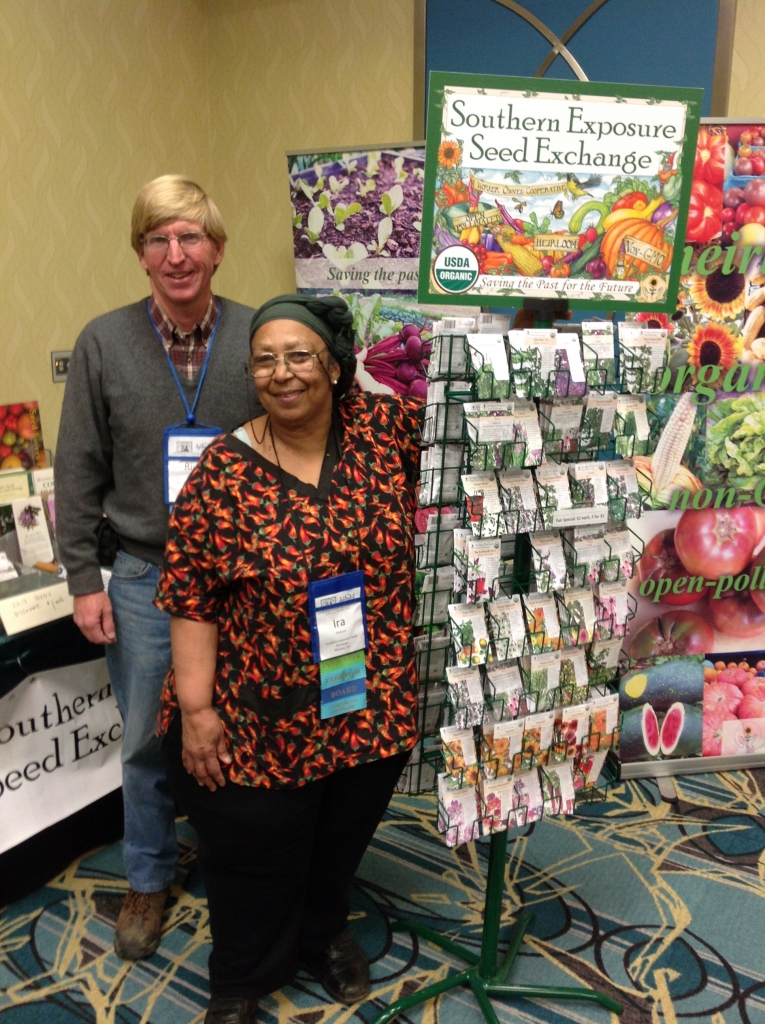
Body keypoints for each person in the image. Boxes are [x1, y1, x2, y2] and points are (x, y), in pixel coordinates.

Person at [155, 295, 421, 1024]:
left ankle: (321, 930)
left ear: (334, 367)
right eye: (265, 359)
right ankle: (240, 977)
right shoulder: (223, 470)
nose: (282, 373)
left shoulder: (384, 432)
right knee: (252, 852)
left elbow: (475, 443)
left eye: (299, 355)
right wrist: (199, 711)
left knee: (340, 834)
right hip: (257, 709)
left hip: (371, 693)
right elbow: (190, 597)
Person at [55, 175, 260, 961]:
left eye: (189, 237)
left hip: (243, 577)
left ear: (216, 247)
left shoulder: (256, 333)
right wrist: (82, 581)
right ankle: (147, 875)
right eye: (157, 239)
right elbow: (77, 470)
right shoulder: (104, 341)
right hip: (143, 577)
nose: (176, 255)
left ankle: (236, 857)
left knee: (242, 724)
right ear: (141, 254)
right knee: (144, 741)